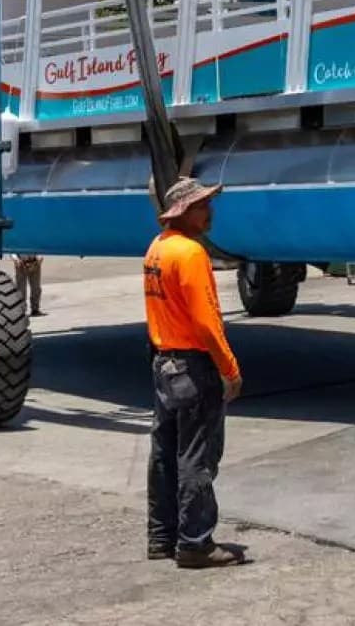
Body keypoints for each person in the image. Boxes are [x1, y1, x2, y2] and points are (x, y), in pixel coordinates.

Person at [144, 178, 247, 570]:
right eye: (203, 205)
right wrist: (229, 368)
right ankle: (195, 543)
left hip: (164, 363)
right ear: (184, 212)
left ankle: (161, 536)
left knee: (164, 451)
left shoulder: (157, 249)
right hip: (193, 364)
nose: (211, 212)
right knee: (197, 456)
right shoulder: (190, 254)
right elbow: (206, 323)